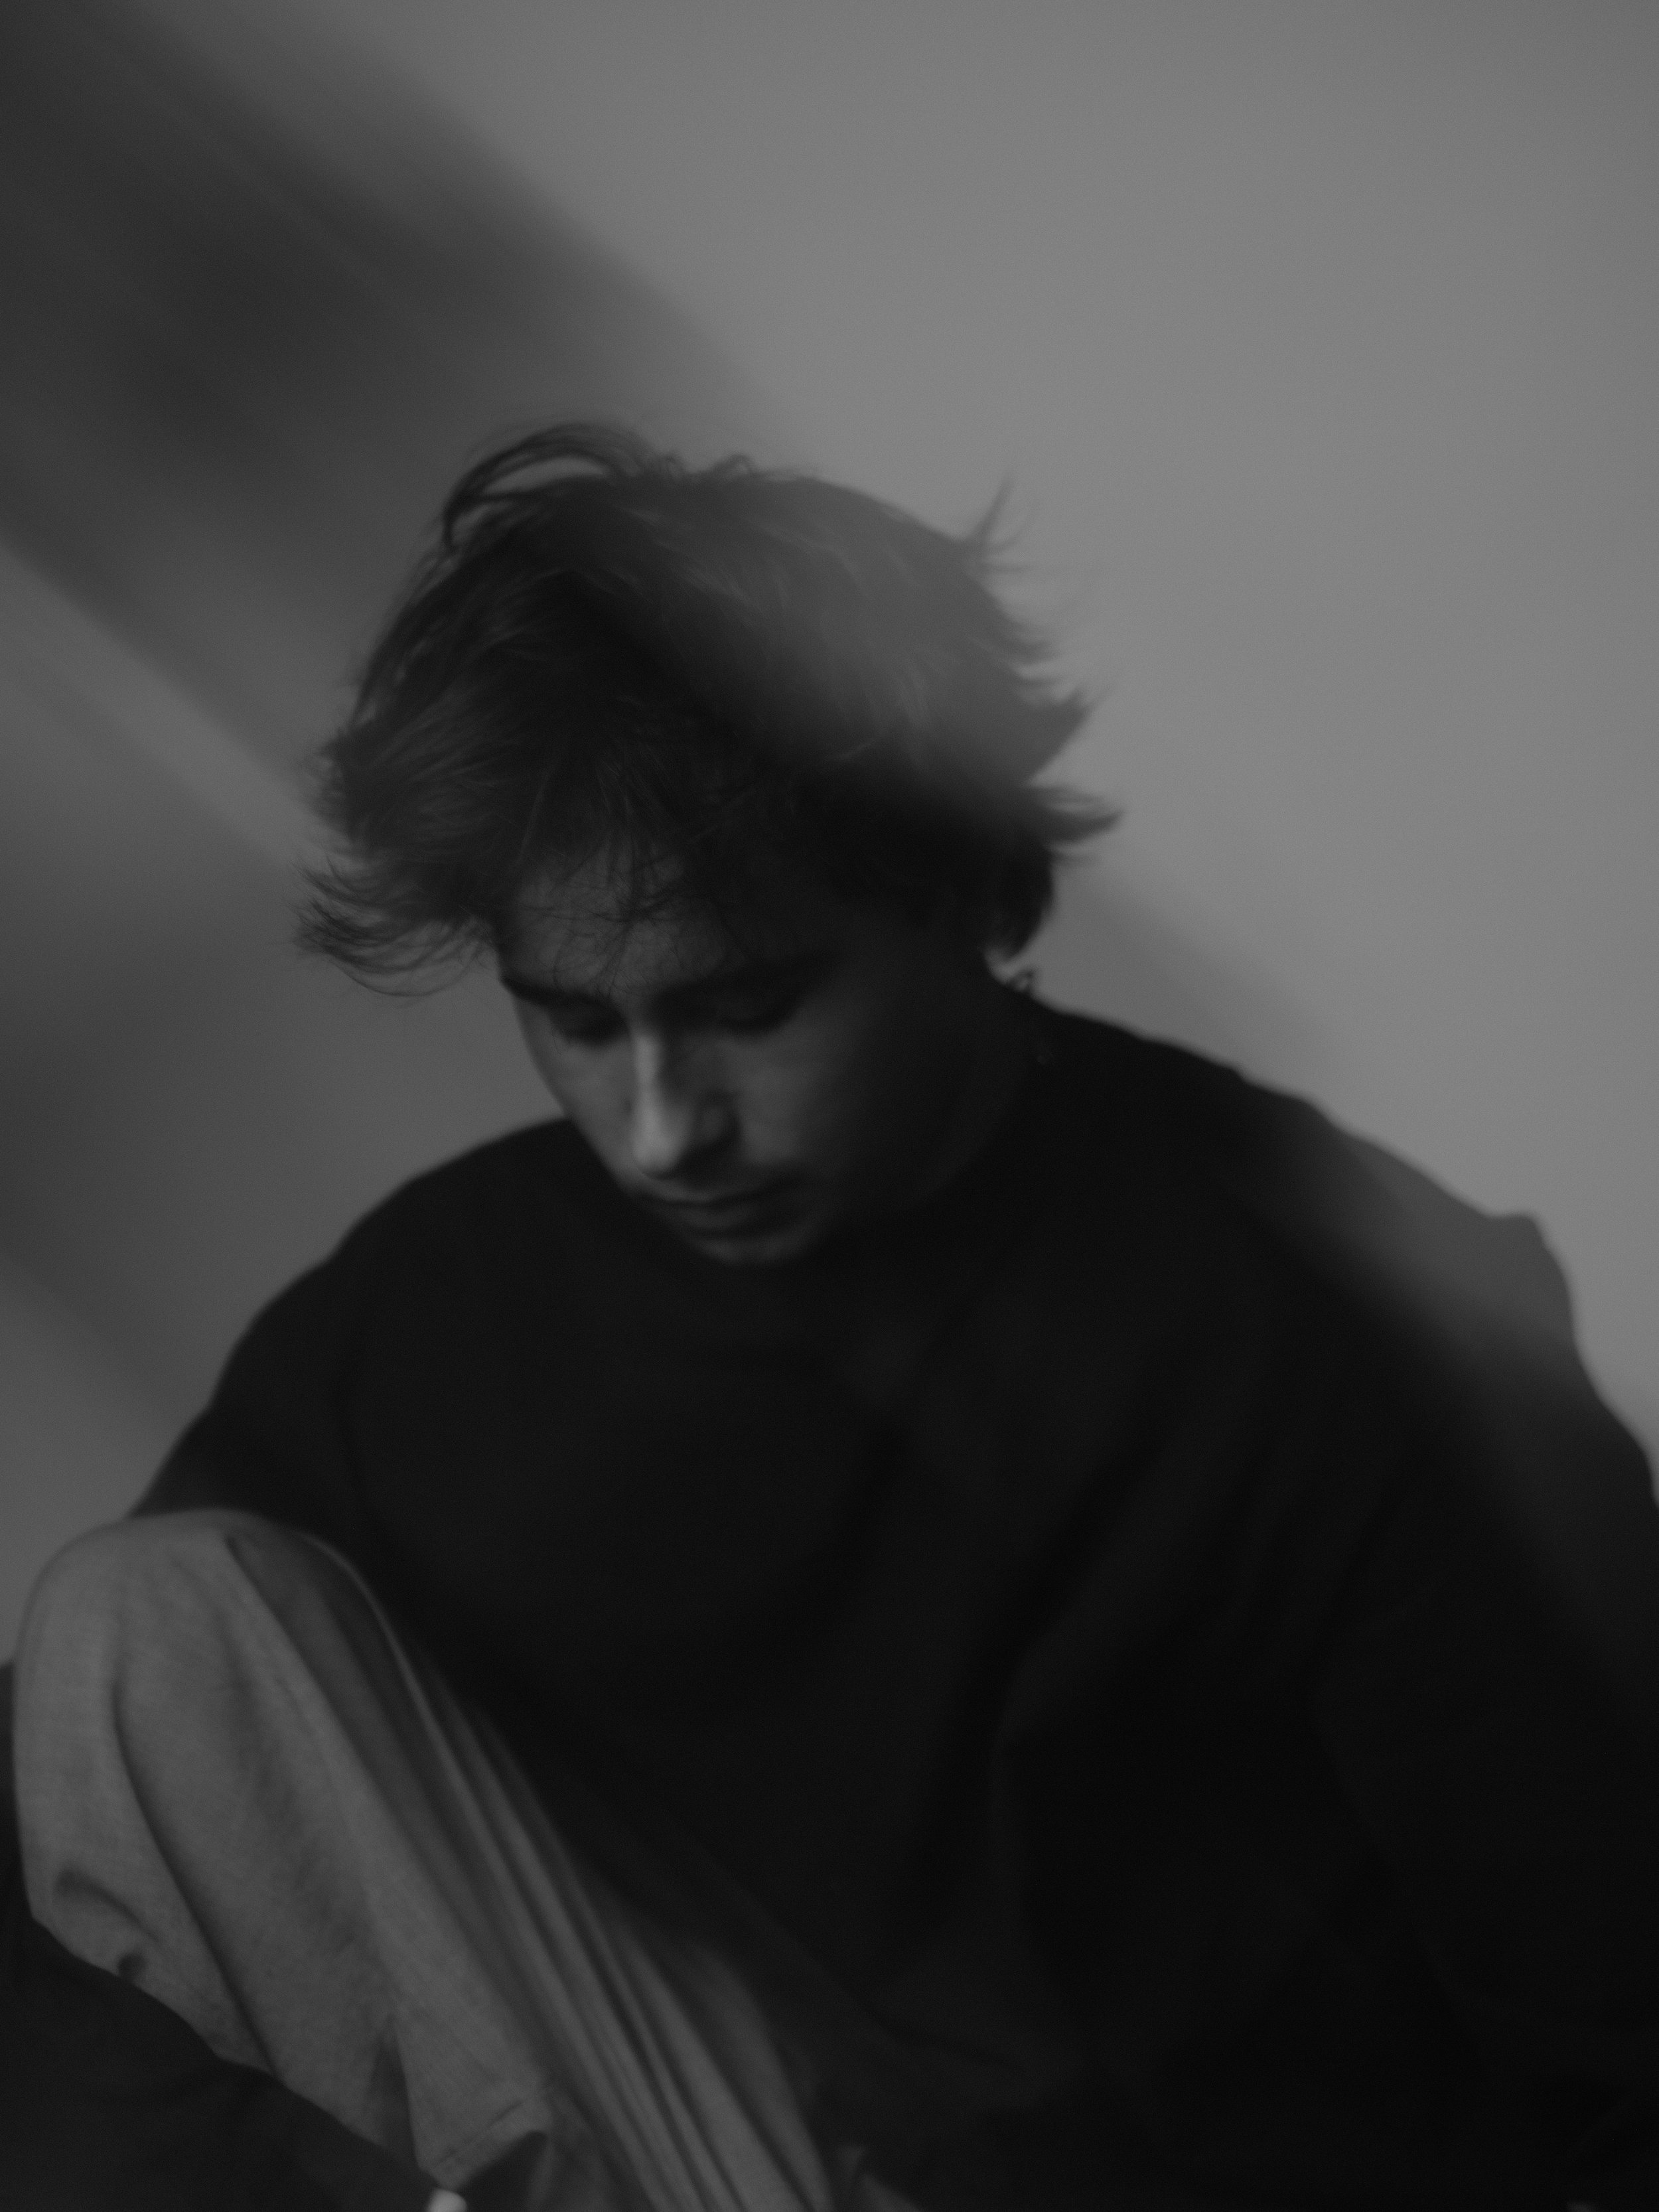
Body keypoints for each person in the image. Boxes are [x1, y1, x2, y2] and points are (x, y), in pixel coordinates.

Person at [2, 424, 1657, 2212]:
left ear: (950, 888)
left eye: (749, 1010)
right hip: (733, 2166)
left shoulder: (1340, 1318)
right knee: (143, 1627)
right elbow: (86, 1825)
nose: (662, 1129)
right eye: (577, 1023)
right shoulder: (442, 1306)